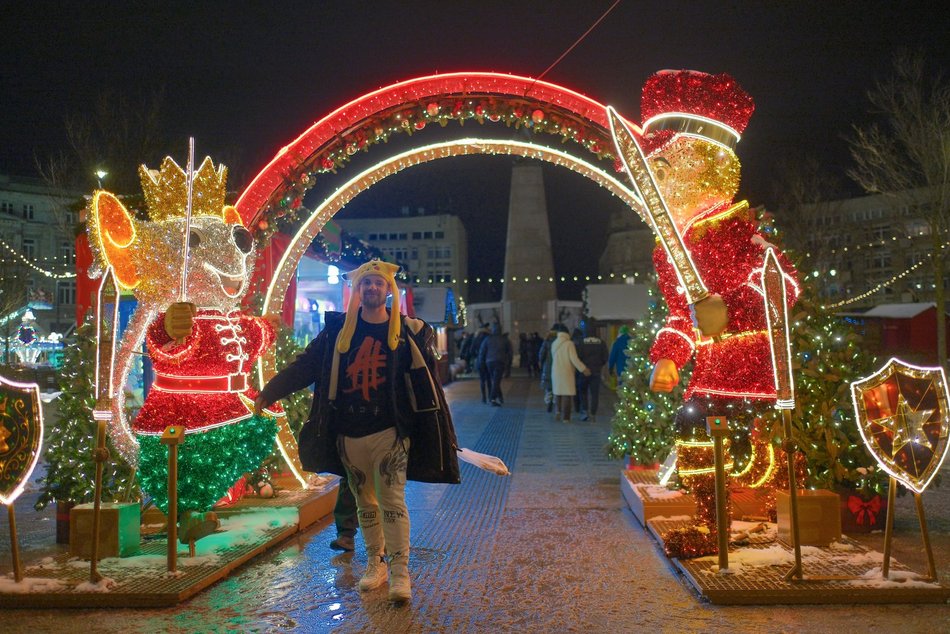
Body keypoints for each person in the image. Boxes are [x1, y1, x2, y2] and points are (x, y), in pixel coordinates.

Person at [612, 69, 799, 557]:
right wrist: (670, 355)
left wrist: (731, 310)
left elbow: (785, 287)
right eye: (657, 171)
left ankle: (770, 519)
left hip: (755, 368)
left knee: (748, 448)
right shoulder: (669, 249)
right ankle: (711, 523)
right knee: (696, 433)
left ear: (708, 167)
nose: (664, 181)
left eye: (672, 168)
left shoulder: (739, 230)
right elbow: (682, 315)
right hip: (710, 369)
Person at [254, 259, 461, 602]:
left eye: (379, 284)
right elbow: (306, 365)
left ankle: (400, 573)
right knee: (366, 502)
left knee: (392, 501)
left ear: (388, 290)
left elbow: (426, 380)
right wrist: (269, 392)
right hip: (348, 434)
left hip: (390, 433)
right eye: (366, 283)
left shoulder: (405, 331)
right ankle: (375, 564)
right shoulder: (338, 332)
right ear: (357, 290)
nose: (372, 288)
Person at [550, 324, 590, 422]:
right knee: (567, 394)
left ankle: (558, 412)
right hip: (566, 372)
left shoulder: (554, 343)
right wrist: (584, 369)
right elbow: (574, 359)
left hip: (555, 371)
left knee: (557, 393)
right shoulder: (569, 344)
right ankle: (566, 418)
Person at [575, 328, 608, 422]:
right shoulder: (601, 343)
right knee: (594, 393)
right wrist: (599, 365)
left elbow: (578, 357)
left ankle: (585, 412)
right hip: (596, 371)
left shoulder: (581, 343)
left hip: (584, 371)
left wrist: (583, 368)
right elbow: (605, 357)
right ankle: (593, 413)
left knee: (583, 392)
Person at [478, 322, 511, 406]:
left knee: (495, 380)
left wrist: (481, 363)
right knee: (496, 380)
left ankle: (500, 397)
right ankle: (492, 398)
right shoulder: (505, 340)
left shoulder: (488, 339)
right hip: (500, 362)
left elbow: (482, 351)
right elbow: (509, 353)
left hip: (489, 362)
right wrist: (508, 367)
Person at [538, 326, 558, 413]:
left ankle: (548, 401)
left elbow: (541, 354)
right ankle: (554, 401)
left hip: (548, 366)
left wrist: (541, 363)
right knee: (556, 386)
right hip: (557, 366)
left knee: (548, 386)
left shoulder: (546, 342)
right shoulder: (559, 342)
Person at [470, 324, 491, 401]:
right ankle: (490, 396)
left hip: (480, 360)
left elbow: (471, 351)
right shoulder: (489, 338)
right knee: (489, 379)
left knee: (482, 380)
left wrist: (477, 355)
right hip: (488, 360)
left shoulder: (476, 339)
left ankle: (483, 397)